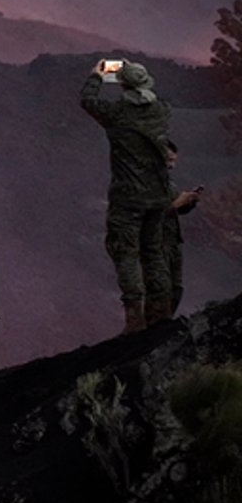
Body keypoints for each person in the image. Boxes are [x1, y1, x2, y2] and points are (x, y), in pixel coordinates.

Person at [80, 60, 175, 332]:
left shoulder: (117, 113)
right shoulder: (162, 110)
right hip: (158, 196)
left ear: (122, 85)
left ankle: (135, 320)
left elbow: (87, 100)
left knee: (126, 254)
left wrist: (97, 74)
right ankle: (161, 313)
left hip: (128, 198)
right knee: (153, 252)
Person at [156, 140, 205, 322]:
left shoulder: (168, 184)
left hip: (172, 242)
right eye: (168, 160)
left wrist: (190, 201)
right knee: (159, 288)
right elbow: (146, 214)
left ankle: (162, 327)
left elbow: (176, 209)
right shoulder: (144, 185)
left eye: (173, 161)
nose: (171, 165)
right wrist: (178, 202)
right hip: (155, 244)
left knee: (175, 288)